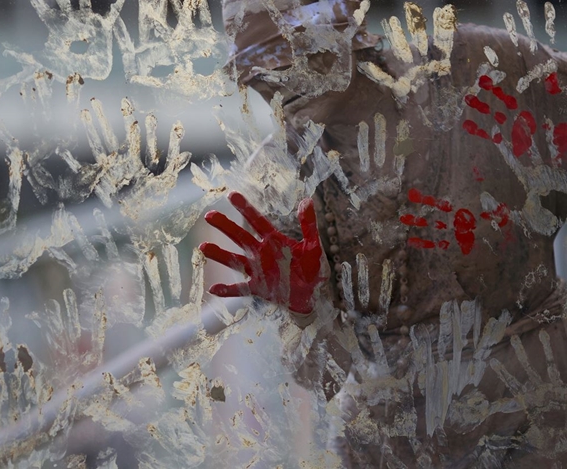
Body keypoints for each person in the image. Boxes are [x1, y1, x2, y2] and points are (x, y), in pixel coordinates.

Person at [200, 0, 567, 466]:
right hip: (391, 442)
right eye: (256, 73)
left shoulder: (476, 68)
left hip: (535, 410)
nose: (278, 81)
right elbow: (323, 378)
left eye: (293, 52)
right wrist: (304, 308)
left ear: (348, 25)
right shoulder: (281, 182)